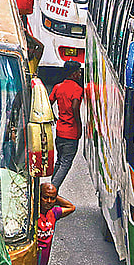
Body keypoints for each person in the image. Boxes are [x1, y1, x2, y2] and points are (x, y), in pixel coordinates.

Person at [48, 61, 83, 190]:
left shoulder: (58, 87)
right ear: (74, 74)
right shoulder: (77, 89)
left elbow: (48, 102)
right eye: (78, 72)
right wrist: (79, 125)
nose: (80, 74)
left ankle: (50, 188)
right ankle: (51, 191)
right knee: (66, 163)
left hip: (60, 131)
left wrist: (52, 115)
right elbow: (75, 106)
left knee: (59, 160)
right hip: (71, 133)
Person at [36, 182, 76, 265]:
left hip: (44, 258)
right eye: (45, 197)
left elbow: (71, 207)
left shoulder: (54, 213)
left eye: (52, 198)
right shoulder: (33, 214)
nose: (49, 201)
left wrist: (54, 195)